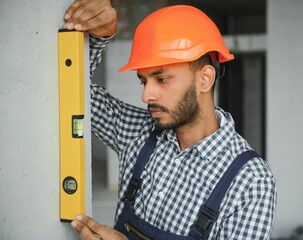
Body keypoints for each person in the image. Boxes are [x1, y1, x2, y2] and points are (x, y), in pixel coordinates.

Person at [64, 0, 276, 239]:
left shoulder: (250, 181)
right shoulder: (137, 133)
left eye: (162, 79)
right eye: (143, 81)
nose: (146, 95)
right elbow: (77, 92)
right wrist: (101, 36)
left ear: (205, 79)